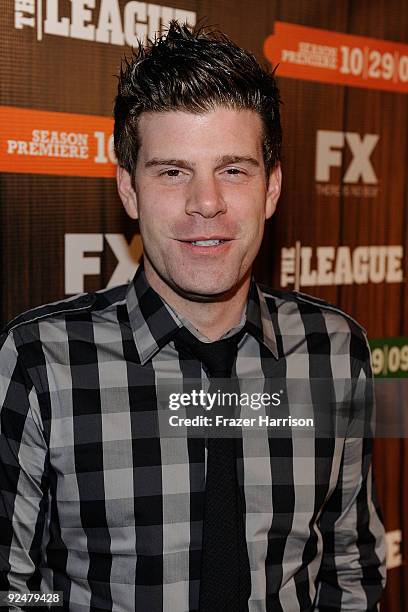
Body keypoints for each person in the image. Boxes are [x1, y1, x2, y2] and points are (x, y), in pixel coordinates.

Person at [0, 21, 386, 612]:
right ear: (128, 189)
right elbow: (15, 591)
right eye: (172, 171)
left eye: (233, 169)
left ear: (273, 187)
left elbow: (349, 569)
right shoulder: (41, 361)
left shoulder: (336, 351)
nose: (206, 202)